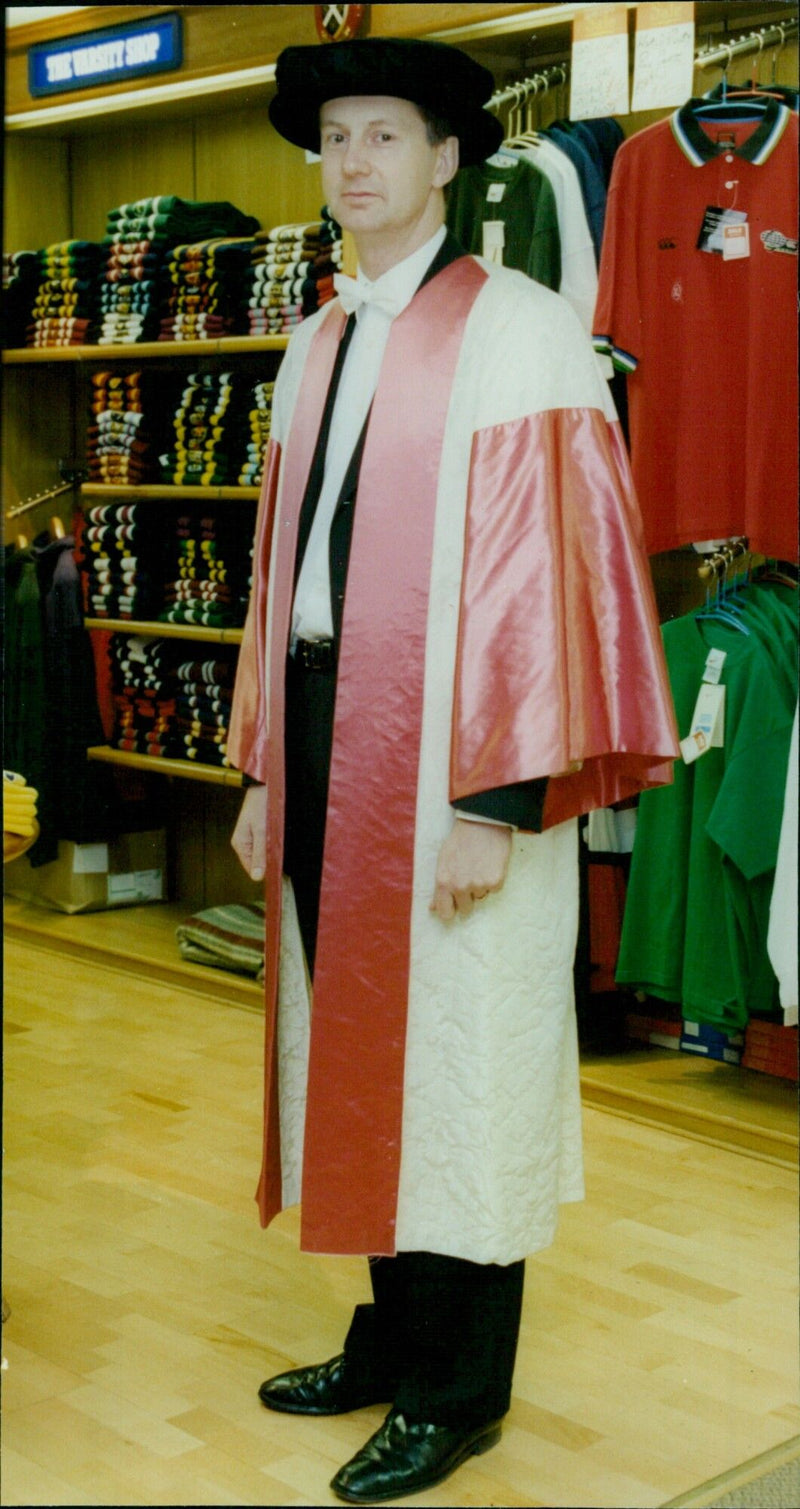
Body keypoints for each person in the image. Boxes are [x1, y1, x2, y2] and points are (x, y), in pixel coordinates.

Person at [229, 36, 679, 1505]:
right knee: (351, 1053)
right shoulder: (317, 337)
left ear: (446, 159)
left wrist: (497, 799)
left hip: (454, 766)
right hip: (320, 738)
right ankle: (388, 1329)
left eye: (382, 136)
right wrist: (257, 768)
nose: (351, 162)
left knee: (461, 1065)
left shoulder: (525, 329)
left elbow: (547, 581)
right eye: (334, 139)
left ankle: (458, 1388)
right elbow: (277, 572)